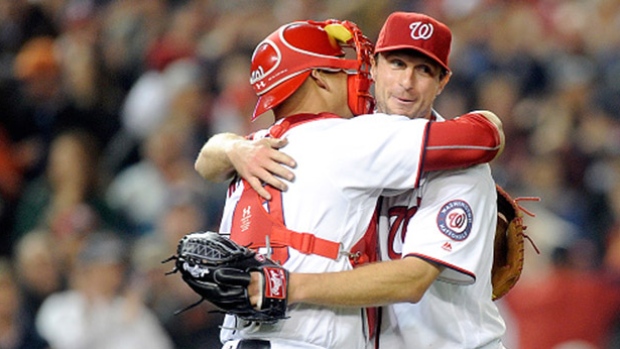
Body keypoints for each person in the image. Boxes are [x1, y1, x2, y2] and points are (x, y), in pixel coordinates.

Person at [194, 18, 505, 349]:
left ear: (443, 81)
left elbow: (414, 279)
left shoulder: (459, 167)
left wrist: (287, 286)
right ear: (373, 66)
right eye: (397, 64)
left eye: (424, 70)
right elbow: (483, 136)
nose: (407, 82)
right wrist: (233, 147)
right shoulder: (346, 139)